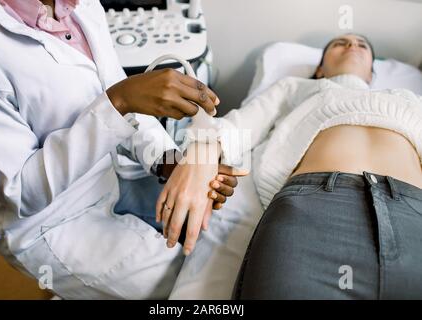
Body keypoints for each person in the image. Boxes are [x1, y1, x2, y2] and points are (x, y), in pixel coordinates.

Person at [0, 0, 241, 299]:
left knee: (219, 238)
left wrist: (171, 163)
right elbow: (20, 191)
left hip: (103, 180)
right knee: (188, 287)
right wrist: (119, 101)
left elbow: (120, 98)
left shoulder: (80, 5)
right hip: (47, 224)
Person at [160, 33, 422, 299]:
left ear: (372, 73)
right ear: (319, 69)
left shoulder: (408, 99)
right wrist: (201, 155)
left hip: (413, 219)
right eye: (339, 43)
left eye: (362, 44)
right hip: (314, 213)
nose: (352, 45)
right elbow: (236, 128)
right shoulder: (296, 88)